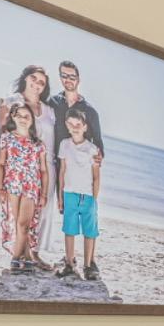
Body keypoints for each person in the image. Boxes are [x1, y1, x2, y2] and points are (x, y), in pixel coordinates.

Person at [0, 65, 54, 271]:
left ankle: (27, 255)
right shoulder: (11, 102)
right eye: (33, 78)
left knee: (31, 218)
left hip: (37, 172)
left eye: (42, 82)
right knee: (17, 219)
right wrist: (1, 183)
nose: (37, 84)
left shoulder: (48, 109)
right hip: (14, 174)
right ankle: (22, 256)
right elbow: (2, 137)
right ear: (25, 78)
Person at [54, 100, 104, 281]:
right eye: (71, 124)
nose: (75, 128)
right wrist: (60, 197)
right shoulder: (64, 145)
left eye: (78, 125)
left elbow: (96, 177)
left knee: (90, 232)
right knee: (69, 230)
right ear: (67, 126)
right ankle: (69, 263)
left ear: (84, 127)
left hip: (88, 196)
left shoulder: (92, 149)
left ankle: (89, 265)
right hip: (69, 194)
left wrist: (94, 199)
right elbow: (62, 172)